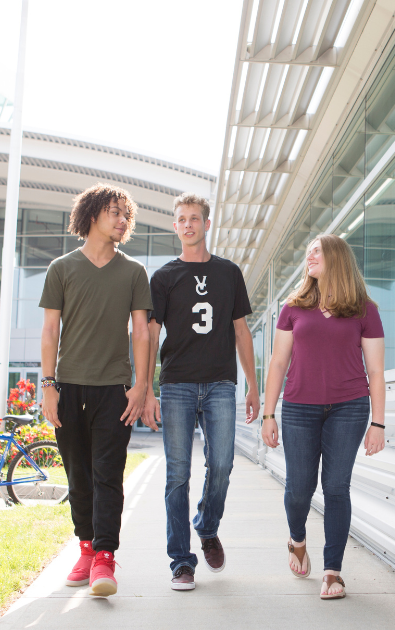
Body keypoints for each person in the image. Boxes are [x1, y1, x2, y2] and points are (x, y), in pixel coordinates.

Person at [39, 183, 156, 598]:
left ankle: (105, 557)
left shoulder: (133, 272)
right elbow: (51, 329)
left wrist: (142, 386)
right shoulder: (62, 268)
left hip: (114, 390)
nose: (122, 221)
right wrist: (48, 385)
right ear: (91, 215)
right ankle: (85, 549)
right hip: (68, 387)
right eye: (114, 212)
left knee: (108, 475)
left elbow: (141, 331)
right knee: (78, 477)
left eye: (127, 215)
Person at [256, 234, 386, 600]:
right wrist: (269, 413)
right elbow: (278, 362)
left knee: (336, 488)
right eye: (308, 250)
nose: (309, 255)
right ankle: (297, 540)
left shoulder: (364, 310)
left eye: (317, 250)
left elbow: (375, 371)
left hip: (350, 407)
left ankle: (333, 572)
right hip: (299, 408)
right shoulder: (292, 308)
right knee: (298, 490)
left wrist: (378, 422)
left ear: (337, 258)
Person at [145, 193, 259, 591]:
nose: (189, 224)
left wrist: (253, 387)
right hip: (175, 384)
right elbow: (149, 333)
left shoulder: (229, 272)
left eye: (195, 218)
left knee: (223, 464)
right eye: (182, 219)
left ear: (207, 224)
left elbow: (242, 331)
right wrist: (145, 388)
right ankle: (181, 561)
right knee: (177, 474)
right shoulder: (162, 277)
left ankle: (207, 526)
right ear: (175, 226)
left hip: (221, 385)